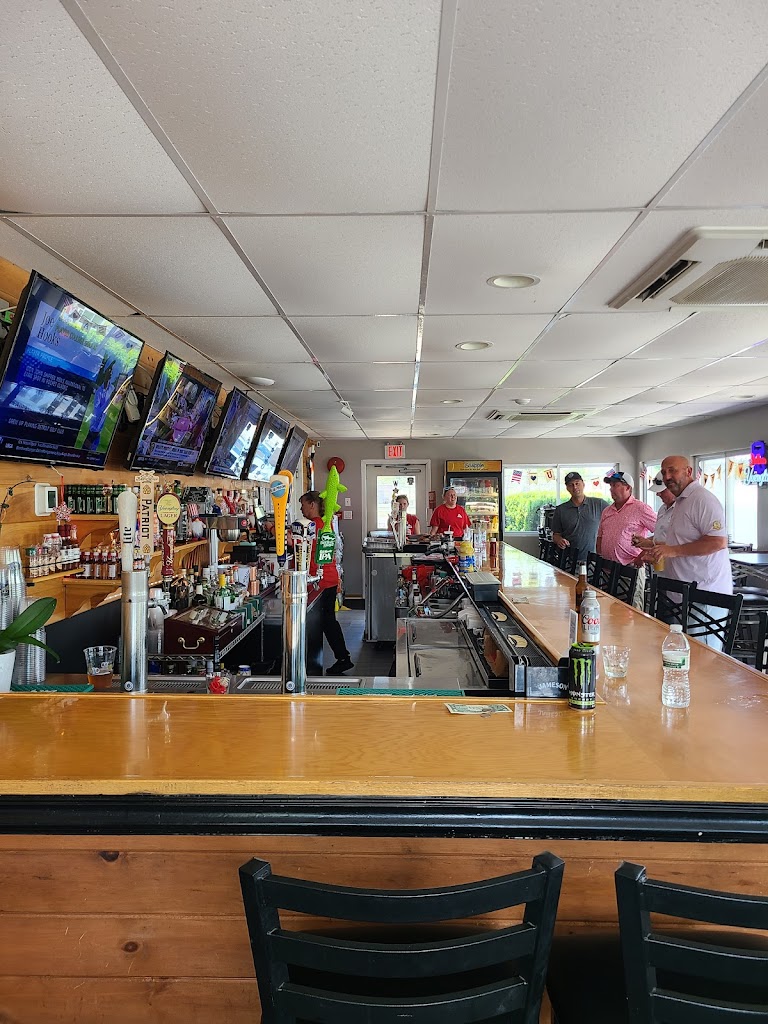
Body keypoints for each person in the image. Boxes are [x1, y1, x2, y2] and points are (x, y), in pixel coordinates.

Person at [647, 456, 732, 649]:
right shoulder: (680, 502)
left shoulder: (702, 499)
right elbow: (680, 543)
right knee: (682, 656)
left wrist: (672, 551)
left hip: (705, 595)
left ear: (688, 471)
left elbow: (718, 542)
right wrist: (660, 551)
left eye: (672, 470)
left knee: (703, 658)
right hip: (682, 594)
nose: (667, 477)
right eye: (664, 472)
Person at [299, 490, 353, 675]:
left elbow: (298, 543)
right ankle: (341, 657)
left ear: (312, 505)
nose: (301, 509)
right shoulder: (325, 523)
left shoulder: (314, 526)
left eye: (303, 505)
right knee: (326, 620)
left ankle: (342, 658)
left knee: (326, 621)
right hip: (328, 578)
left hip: (321, 580)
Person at [596, 470, 656, 610]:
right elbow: (600, 536)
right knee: (609, 610)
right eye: (611, 486)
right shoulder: (607, 511)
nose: (611, 489)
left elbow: (662, 533)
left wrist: (642, 555)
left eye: (616, 485)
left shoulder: (641, 508)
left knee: (631, 612)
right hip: (608, 569)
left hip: (630, 568)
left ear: (628, 487)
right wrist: (600, 556)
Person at [551, 471, 609, 562]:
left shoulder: (599, 504)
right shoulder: (560, 510)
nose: (575, 487)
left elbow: (615, 519)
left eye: (577, 483)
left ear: (583, 484)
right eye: (571, 485)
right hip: (568, 562)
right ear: (567, 488)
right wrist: (559, 540)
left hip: (593, 562)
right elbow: (556, 535)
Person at [632, 473, 675, 555]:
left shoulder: (683, 510)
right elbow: (661, 535)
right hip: (660, 560)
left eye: (661, 491)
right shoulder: (662, 509)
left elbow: (683, 544)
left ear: (673, 488)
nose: (658, 494)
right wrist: (645, 541)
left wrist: (651, 544)